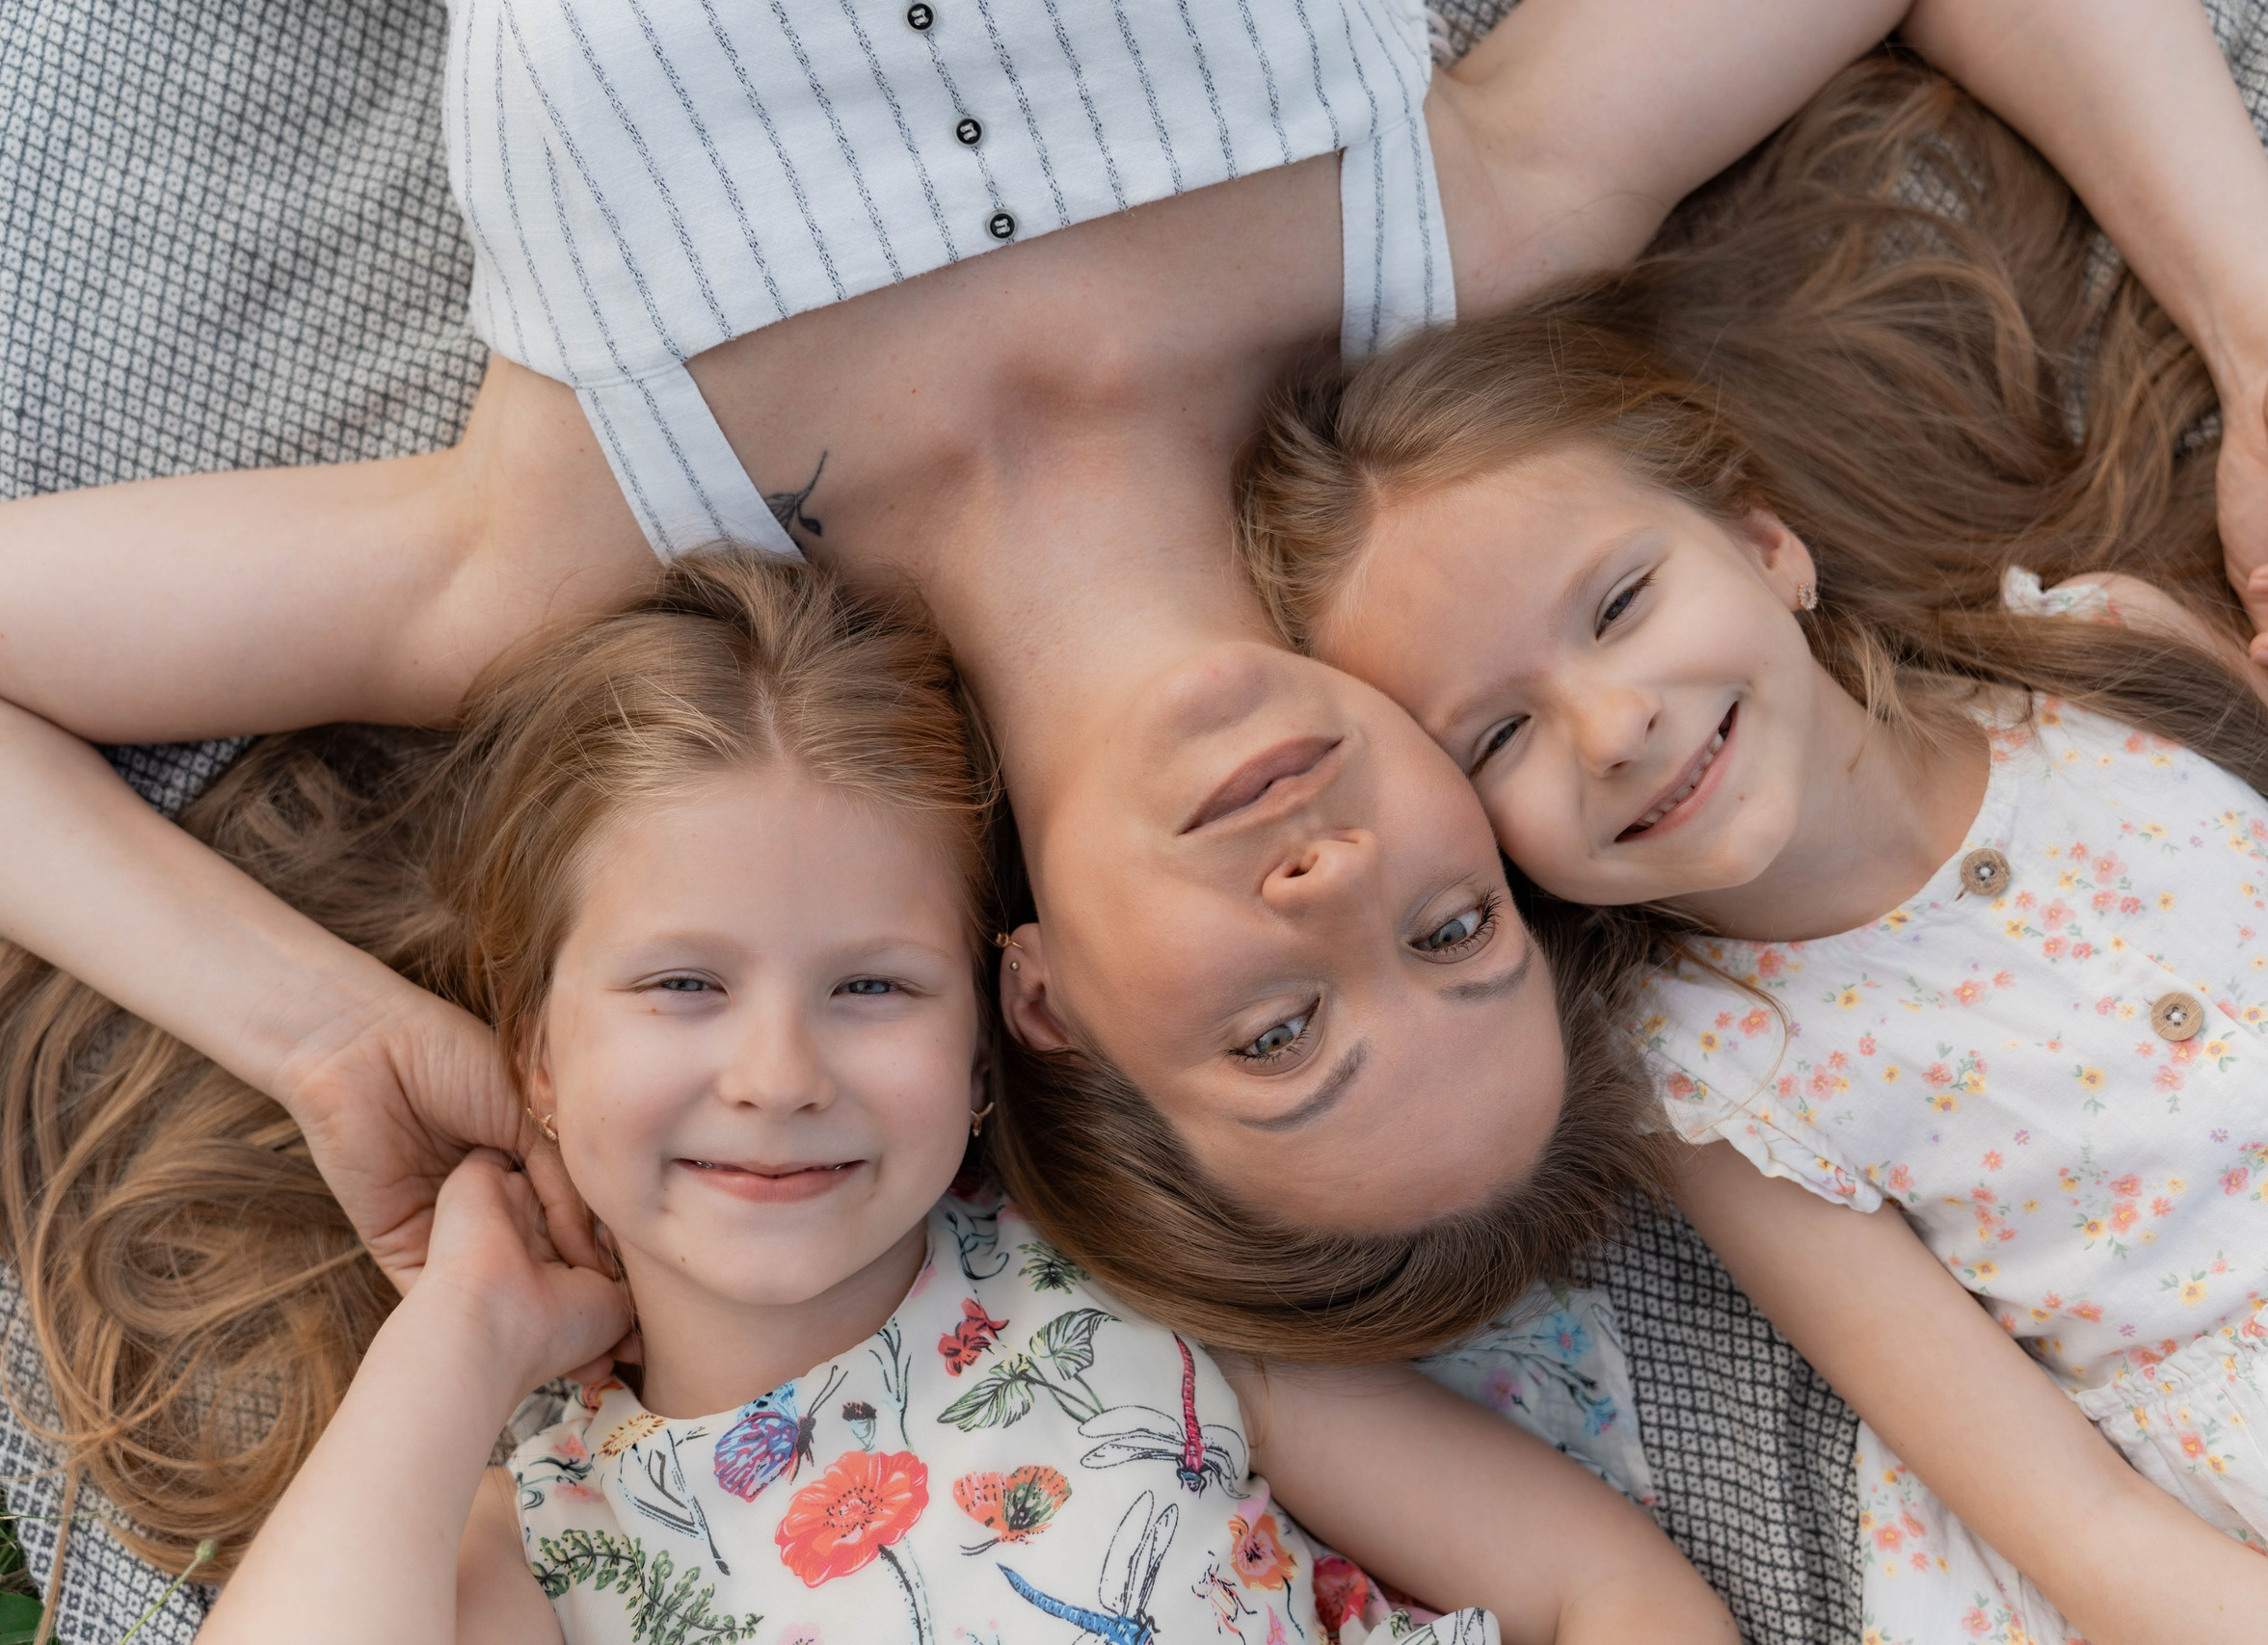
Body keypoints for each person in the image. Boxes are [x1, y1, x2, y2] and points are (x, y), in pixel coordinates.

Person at [0, 3, 2268, 1318]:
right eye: (1453, 926)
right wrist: (2267, 347)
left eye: (1271, 1032)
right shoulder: (1451, 240)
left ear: (1035, 1004)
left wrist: (323, 1024)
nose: (1322, 888)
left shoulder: (566, 544)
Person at [1234, 55, 2268, 1640]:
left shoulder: (2099, 653)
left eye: (1619, 606)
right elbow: (2071, 1522)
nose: (1613, 729)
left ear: (1765, 545)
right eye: (1499, 738)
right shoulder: (1717, 1075)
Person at [155, 548, 1724, 1644]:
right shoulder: (549, 1538)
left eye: (873, 987)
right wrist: (465, 1332)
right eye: (683, 986)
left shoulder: (1126, 1314)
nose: (777, 1079)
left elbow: (1610, 1593)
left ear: (986, 1040)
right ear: (538, 1059)